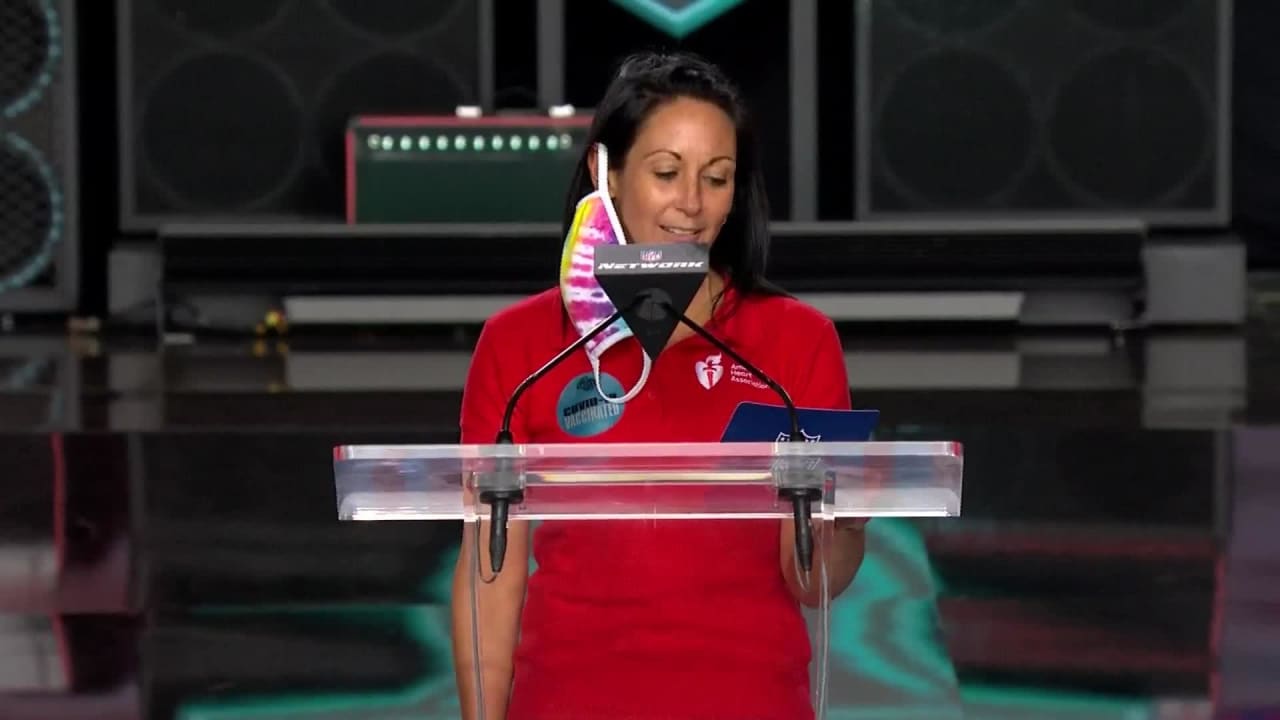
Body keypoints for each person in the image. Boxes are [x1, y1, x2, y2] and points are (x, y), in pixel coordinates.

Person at [451, 50, 867, 720]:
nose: (693, 204)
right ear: (605, 173)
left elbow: (814, 581)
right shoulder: (519, 346)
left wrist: (838, 527)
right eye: (667, 173)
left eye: (718, 177)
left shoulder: (796, 343)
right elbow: (488, 572)